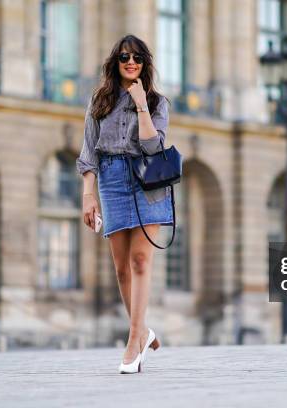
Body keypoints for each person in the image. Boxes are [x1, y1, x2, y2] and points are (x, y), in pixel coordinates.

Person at [76, 34, 173, 374]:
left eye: (137, 58)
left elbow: (152, 146)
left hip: (147, 182)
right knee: (120, 268)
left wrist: (141, 103)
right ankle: (144, 331)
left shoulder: (158, 103)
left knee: (140, 260)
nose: (131, 62)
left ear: (145, 64)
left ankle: (134, 338)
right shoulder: (99, 100)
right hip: (112, 180)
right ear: (114, 62)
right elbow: (89, 151)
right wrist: (88, 195)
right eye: (124, 57)